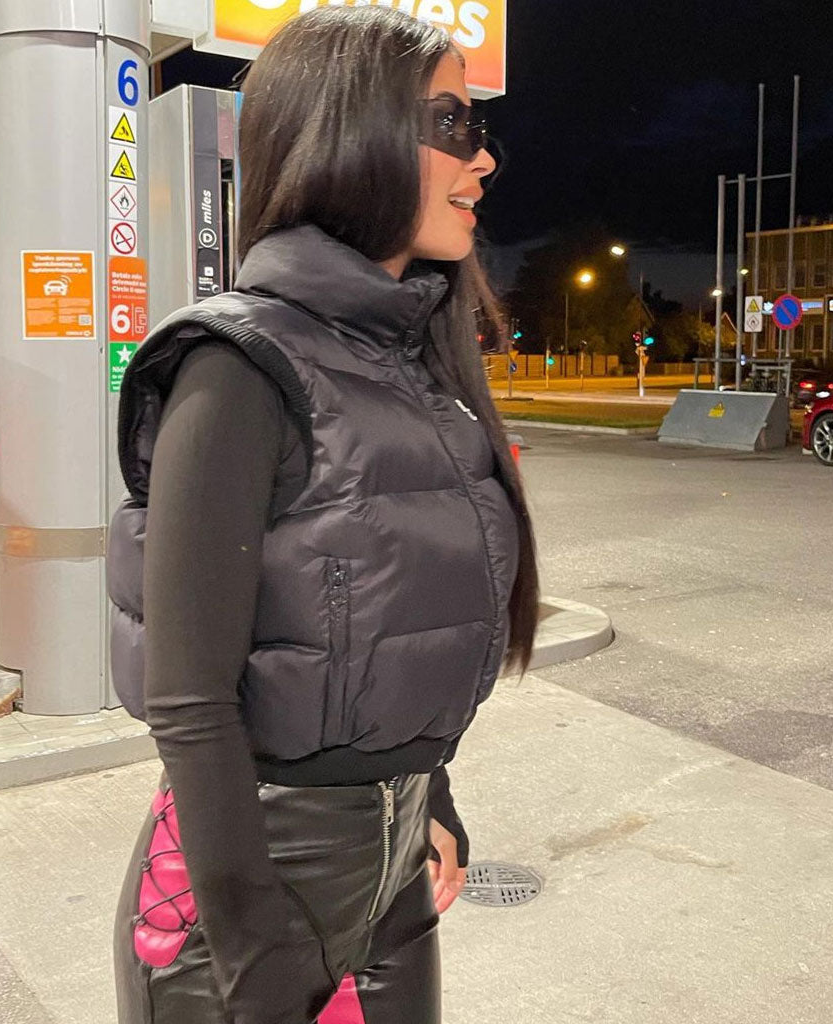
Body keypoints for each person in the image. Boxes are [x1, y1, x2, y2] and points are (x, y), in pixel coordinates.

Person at [111, 7, 540, 1022]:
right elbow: (189, 696)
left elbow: (393, 629)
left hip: (392, 875)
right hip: (247, 903)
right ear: (349, 134)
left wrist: (429, 794)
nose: (481, 159)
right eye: (452, 122)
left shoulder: (414, 363)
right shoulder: (237, 366)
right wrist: (252, 945)